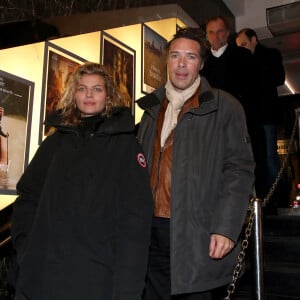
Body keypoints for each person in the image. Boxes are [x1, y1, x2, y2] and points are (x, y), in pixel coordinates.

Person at [11, 62, 153, 300]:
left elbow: (135, 220)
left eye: (97, 89)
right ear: (73, 94)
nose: (89, 95)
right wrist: (27, 246)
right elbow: (28, 196)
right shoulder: (55, 142)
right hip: (45, 276)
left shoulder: (125, 145)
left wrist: (128, 288)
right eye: (82, 88)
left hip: (97, 277)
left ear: (108, 95)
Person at [137, 27, 255, 299]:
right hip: (149, 232)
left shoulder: (225, 107)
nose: (181, 64)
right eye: (175, 55)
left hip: (195, 234)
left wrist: (226, 227)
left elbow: (239, 170)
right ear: (166, 60)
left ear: (201, 63)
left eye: (190, 57)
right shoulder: (151, 109)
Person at [201, 16, 266, 198]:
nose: (216, 36)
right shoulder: (203, 65)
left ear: (228, 33)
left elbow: (255, 91)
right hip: (214, 127)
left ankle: (258, 207)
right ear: (207, 36)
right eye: (211, 32)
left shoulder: (243, 56)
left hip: (243, 123)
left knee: (248, 165)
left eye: (220, 31)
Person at [236, 28, 285, 209]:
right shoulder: (242, 61)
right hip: (250, 117)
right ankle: (261, 199)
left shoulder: (270, 55)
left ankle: (274, 200)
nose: (243, 49)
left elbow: (278, 78)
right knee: (255, 158)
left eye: (244, 44)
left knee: (269, 157)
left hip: (266, 115)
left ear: (254, 39)